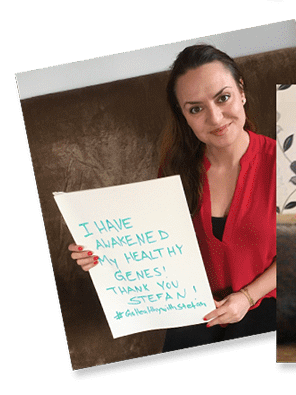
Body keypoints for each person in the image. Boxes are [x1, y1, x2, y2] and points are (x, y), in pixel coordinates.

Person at [68, 44, 277, 351]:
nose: (216, 117)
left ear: (241, 91)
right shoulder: (174, 169)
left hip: (266, 300)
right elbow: (151, 244)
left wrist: (247, 298)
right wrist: (101, 254)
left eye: (223, 97)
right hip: (193, 307)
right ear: (184, 116)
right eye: (196, 108)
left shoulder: (285, 160)